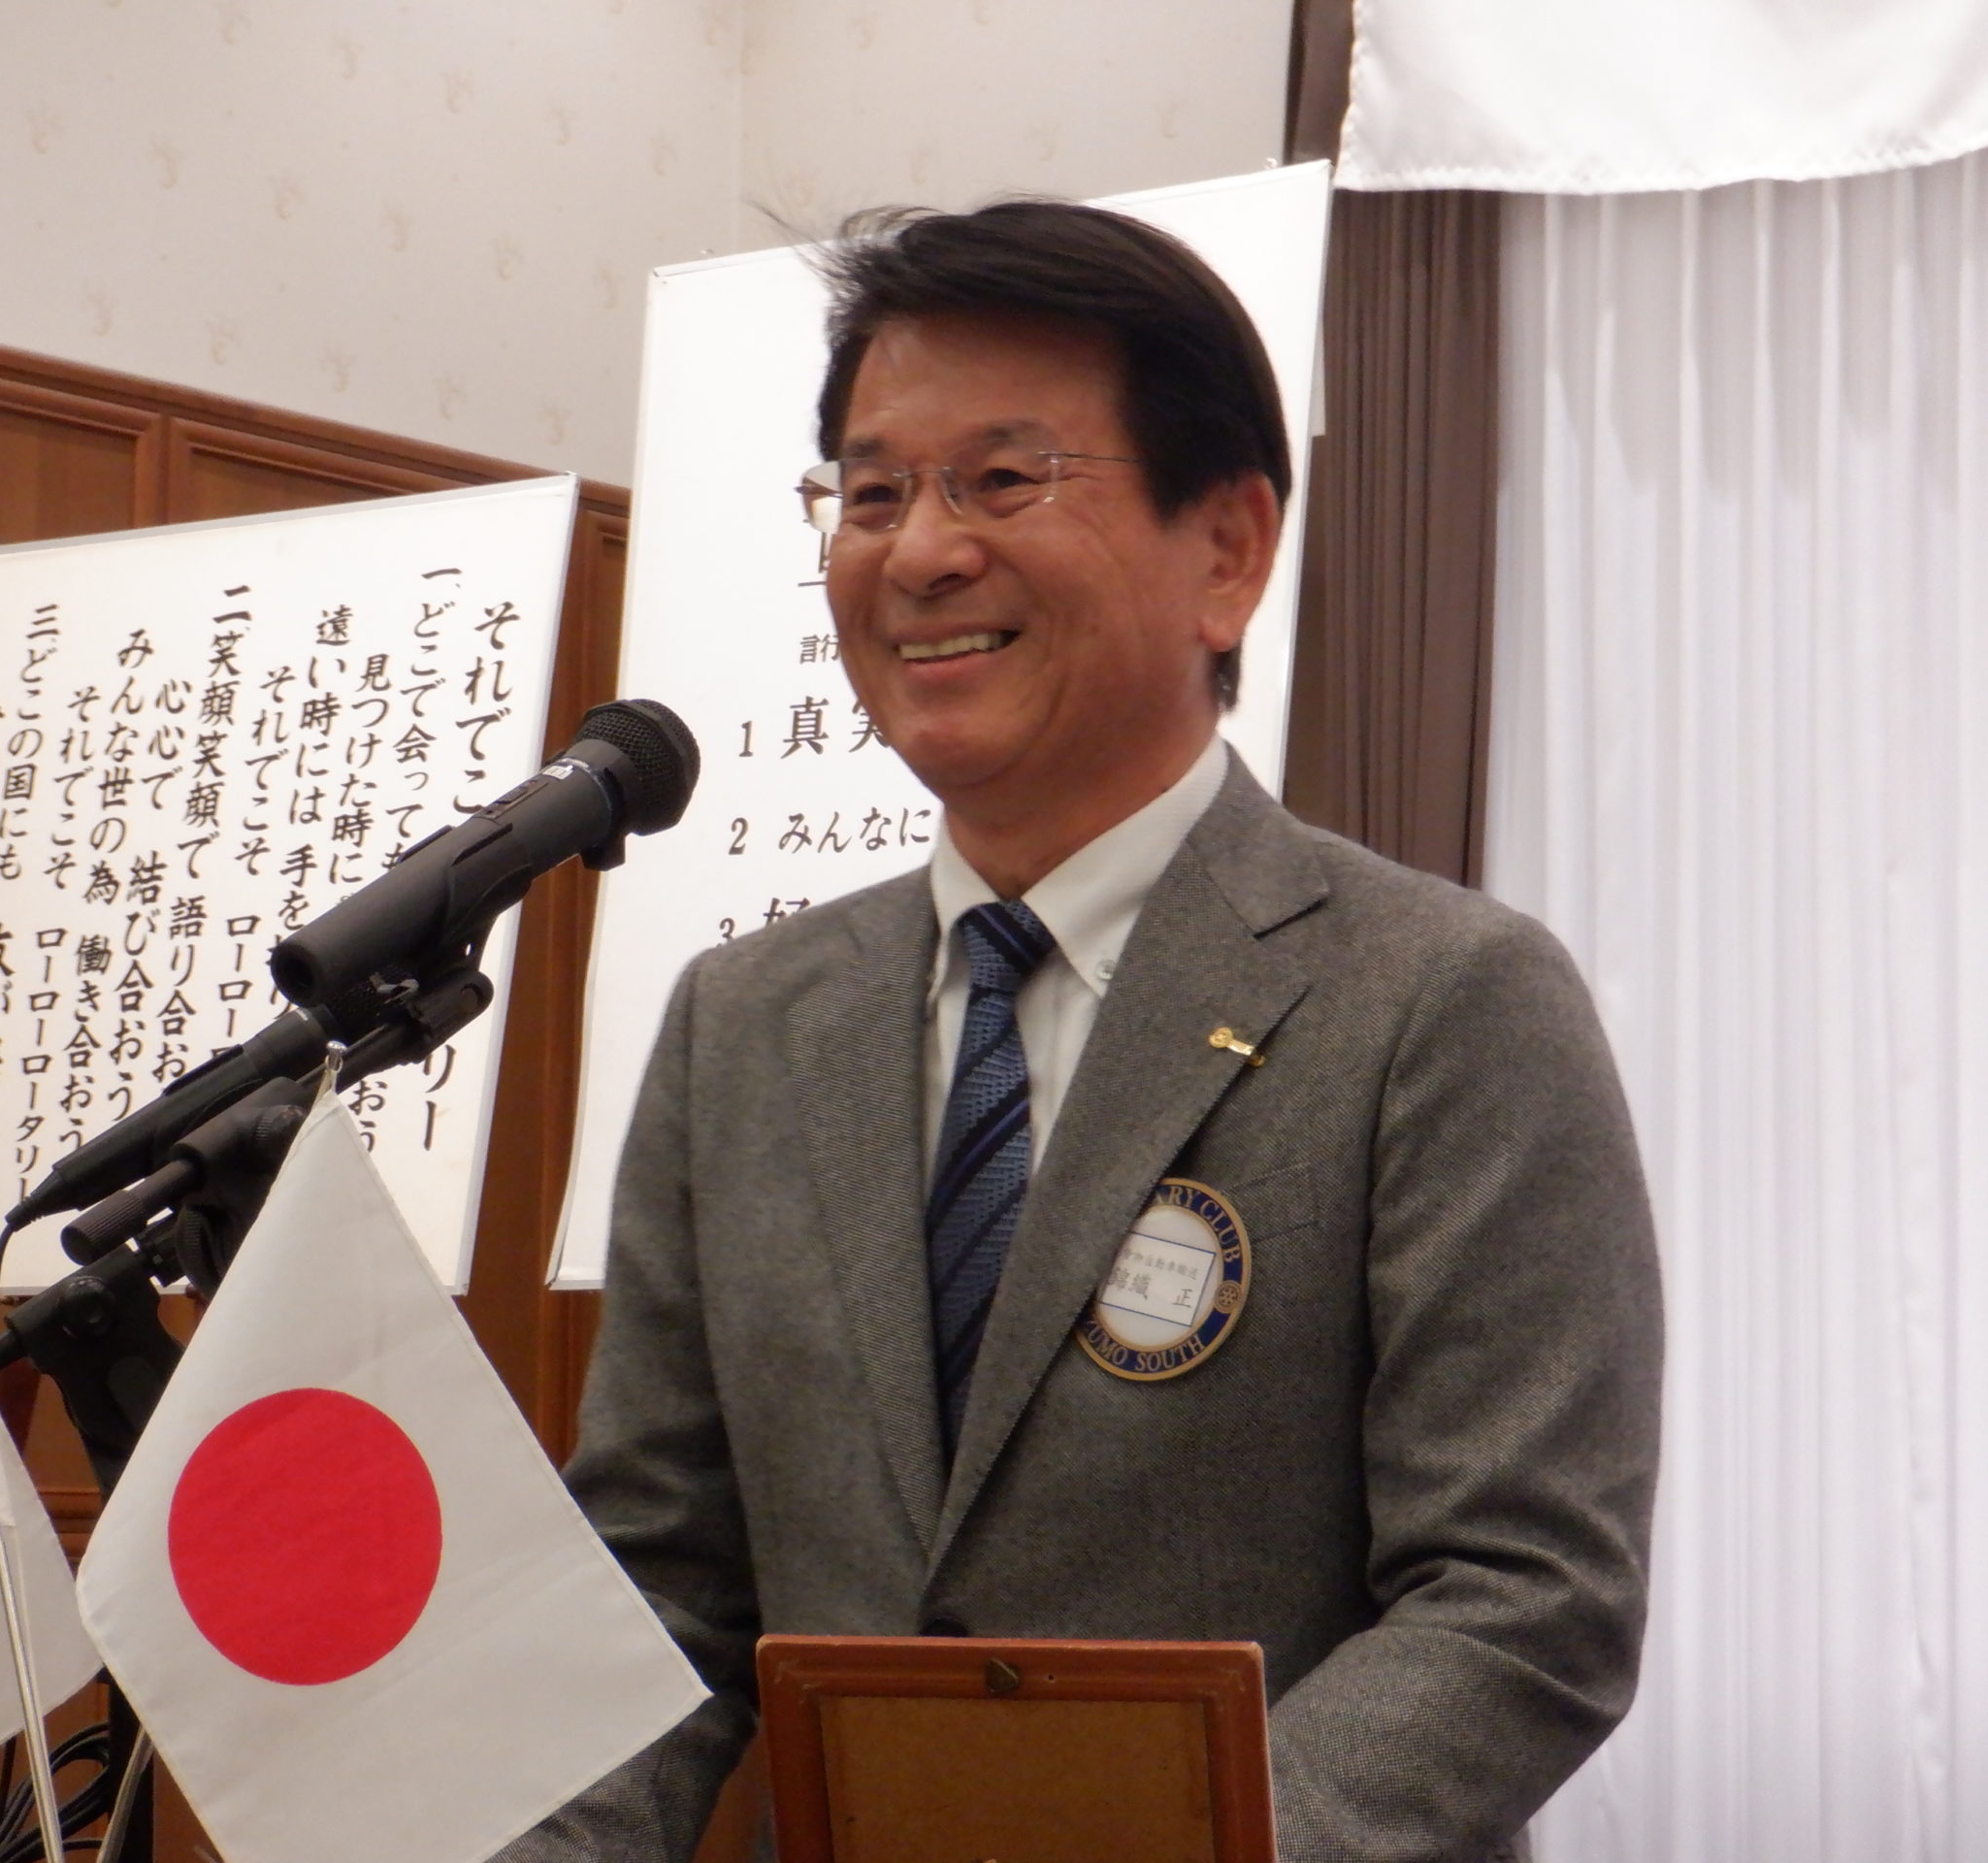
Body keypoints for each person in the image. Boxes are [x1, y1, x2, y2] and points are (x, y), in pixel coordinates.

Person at [501, 202, 1660, 1863]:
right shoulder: (743, 1027)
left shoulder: (1445, 1001)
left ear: (1229, 549)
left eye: (1002, 478)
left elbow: (1523, 1602)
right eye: (872, 493)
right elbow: (658, 1582)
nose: (919, 552)